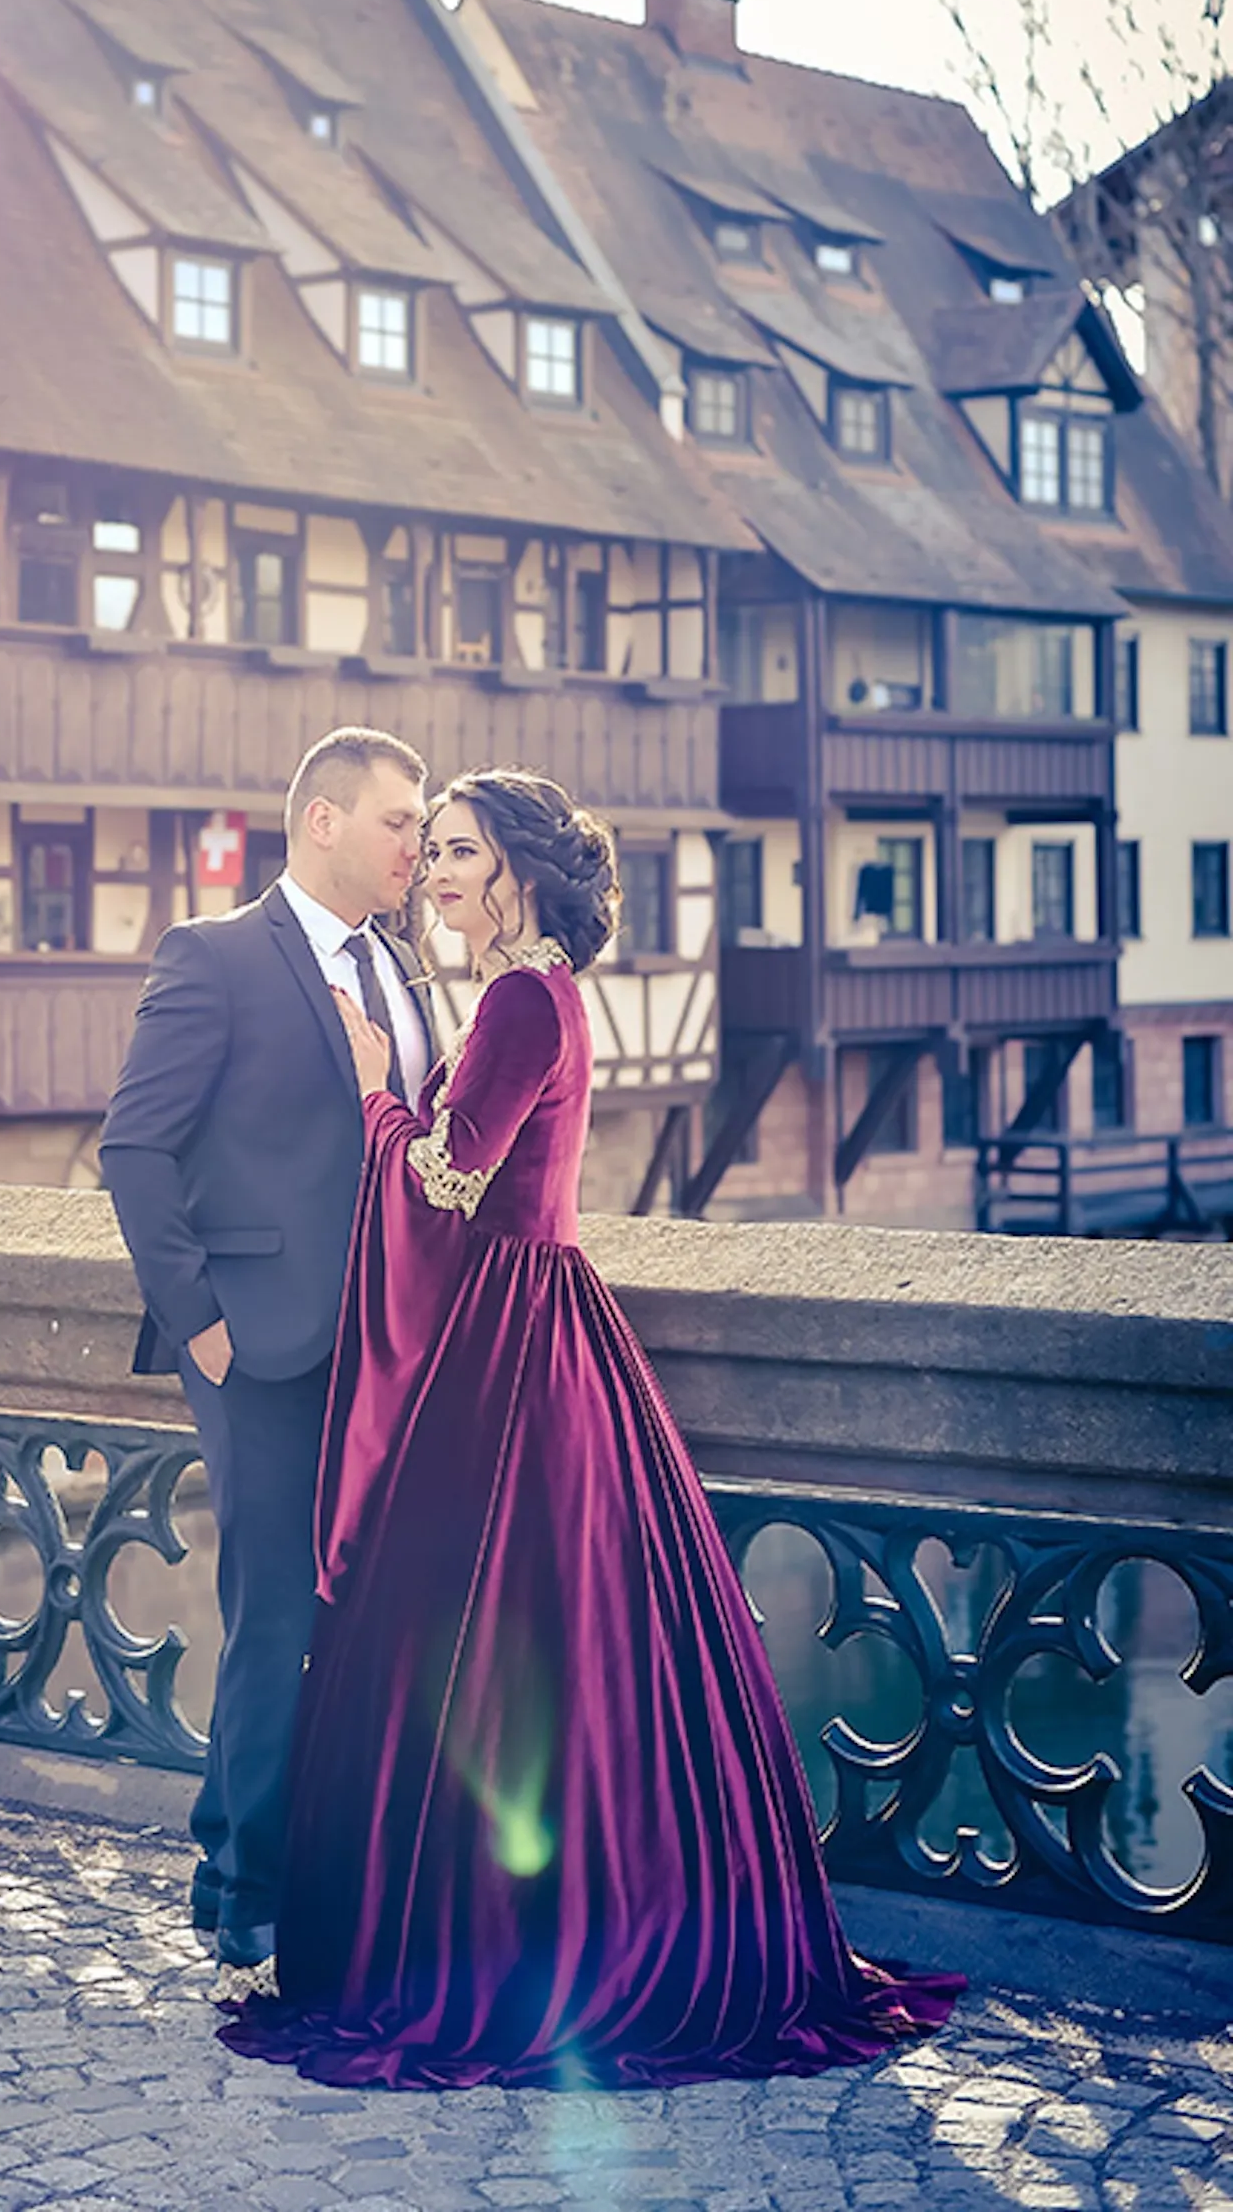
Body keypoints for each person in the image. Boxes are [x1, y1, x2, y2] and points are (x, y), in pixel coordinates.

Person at [224, 767, 962, 2088]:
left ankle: (502, 1952)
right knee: (560, 1656)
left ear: (512, 864)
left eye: (453, 851)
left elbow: (451, 1178)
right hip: (540, 1330)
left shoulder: (519, 996)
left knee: (496, 1655)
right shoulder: (544, 988)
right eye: (429, 848)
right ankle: (558, 1923)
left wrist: (372, 1083)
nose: (433, 874)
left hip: (513, 1348)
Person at [99, 725, 432, 1973]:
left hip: (391, 1353)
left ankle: (342, 1876)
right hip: (265, 1353)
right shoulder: (218, 955)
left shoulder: (406, 975)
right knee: (276, 1612)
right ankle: (243, 1889)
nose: (416, 845)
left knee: (374, 1618)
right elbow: (134, 1148)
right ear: (323, 821)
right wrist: (205, 1331)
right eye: (399, 821)